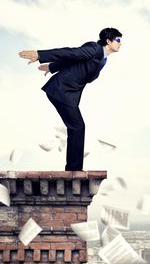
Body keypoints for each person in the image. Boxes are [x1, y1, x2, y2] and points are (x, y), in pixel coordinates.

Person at [18, 27, 122, 171]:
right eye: (117, 40)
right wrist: (40, 55)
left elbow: (74, 60)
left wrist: (52, 67)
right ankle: (74, 170)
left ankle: (74, 169)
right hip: (61, 90)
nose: (120, 43)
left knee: (77, 126)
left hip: (67, 93)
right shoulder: (95, 49)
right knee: (77, 126)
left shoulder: (103, 59)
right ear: (108, 41)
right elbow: (70, 53)